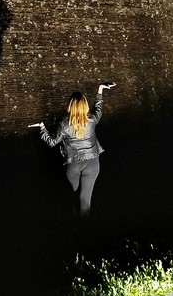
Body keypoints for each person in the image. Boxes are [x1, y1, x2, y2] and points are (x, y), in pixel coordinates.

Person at [31, 82, 116, 221]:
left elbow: (52, 142)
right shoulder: (92, 120)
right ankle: (84, 231)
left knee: (73, 197)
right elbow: (98, 109)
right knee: (85, 199)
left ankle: (73, 227)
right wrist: (100, 89)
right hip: (92, 163)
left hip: (73, 165)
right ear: (85, 106)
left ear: (70, 106)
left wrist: (42, 128)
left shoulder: (64, 125)